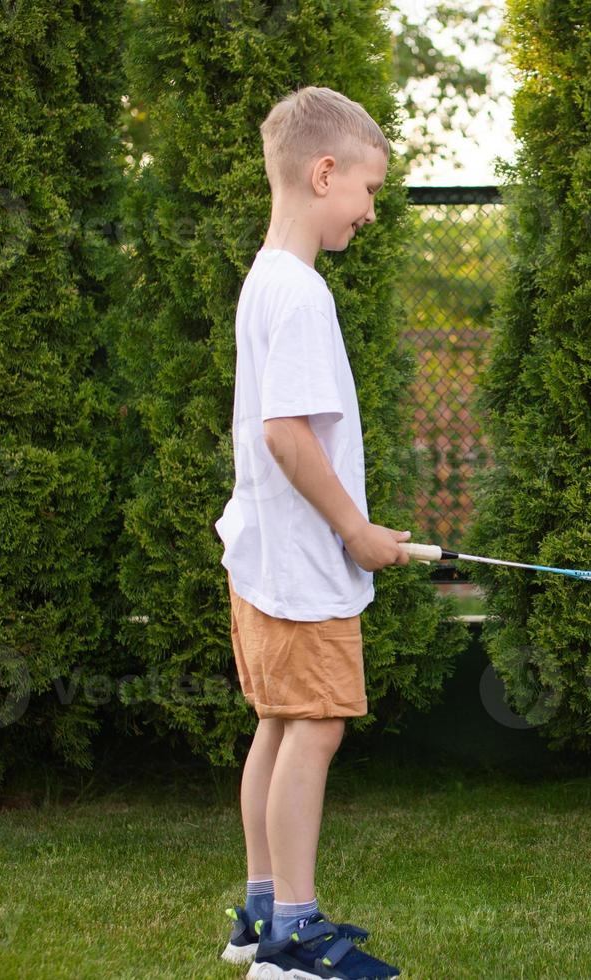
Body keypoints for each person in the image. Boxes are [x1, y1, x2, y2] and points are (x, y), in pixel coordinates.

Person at [213, 86, 407, 980]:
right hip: (300, 562)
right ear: (322, 172)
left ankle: (260, 913)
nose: (370, 210)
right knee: (315, 729)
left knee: (279, 723)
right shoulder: (299, 295)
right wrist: (358, 532)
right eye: (367, 189)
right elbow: (286, 432)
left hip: (263, 557)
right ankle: (291, 939)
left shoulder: (267, 279)